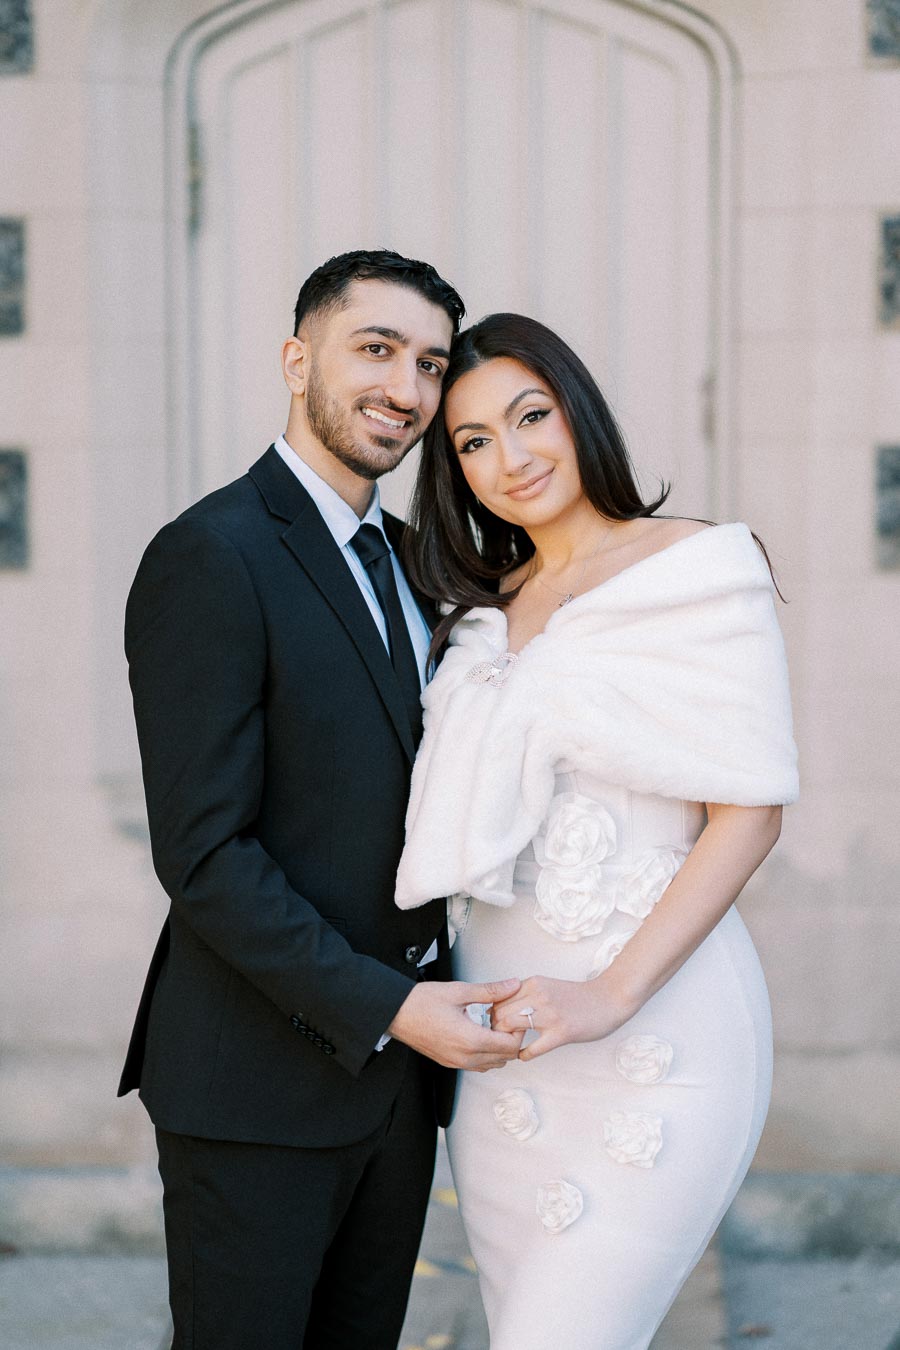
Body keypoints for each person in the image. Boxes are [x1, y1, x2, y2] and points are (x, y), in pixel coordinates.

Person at [118, 251, 525, 1350]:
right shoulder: (211, 554)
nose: (406, 389)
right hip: (254, 1090)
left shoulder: (413, 559)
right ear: (299, 360)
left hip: (395, 1099)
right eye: (376, 349)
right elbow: (205, 856)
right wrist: (390, 1008)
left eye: (432, 365)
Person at [395, 312, 799, 1349]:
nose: (511, 457)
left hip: (657, 1033)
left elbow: (749, 812)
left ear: (579, 412)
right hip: (508, 1060)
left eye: (531, 416)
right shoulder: (479, 614)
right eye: (473, 442)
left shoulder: (697, 568)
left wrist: (608, 996)